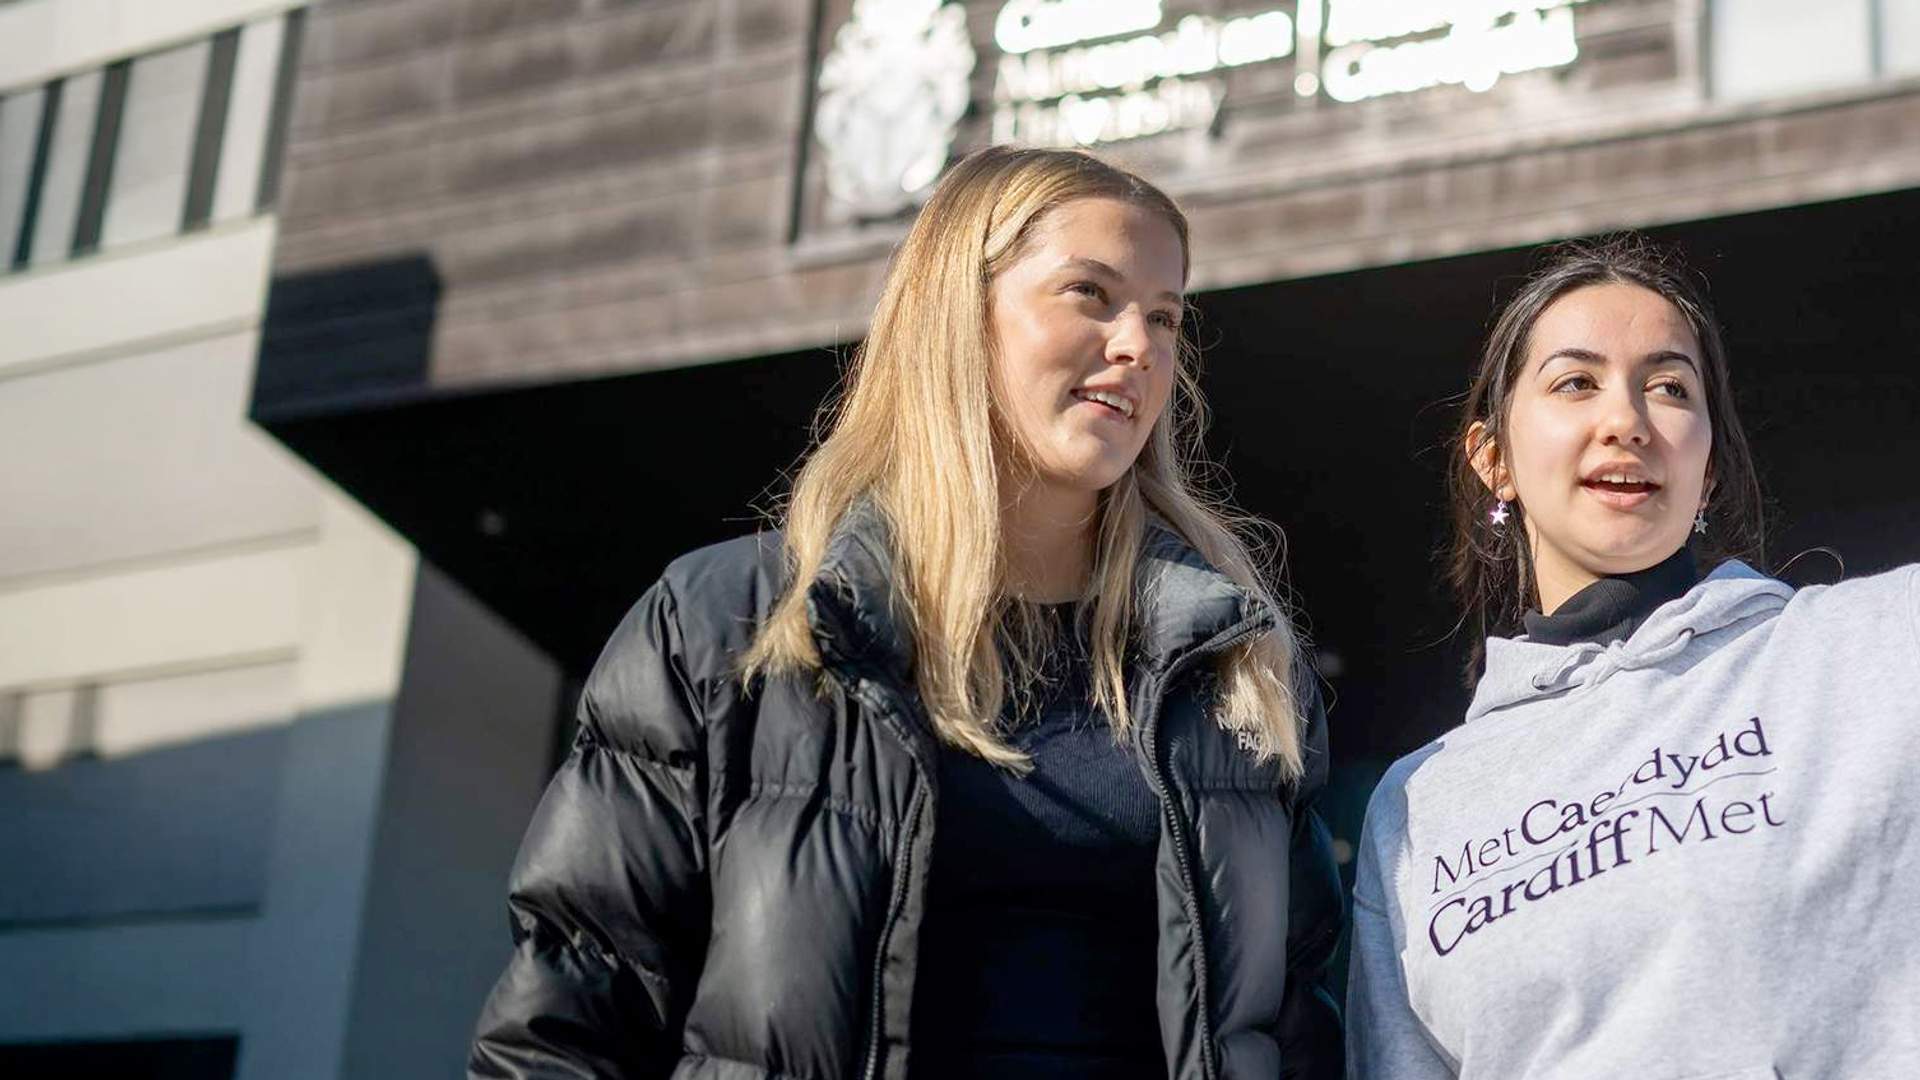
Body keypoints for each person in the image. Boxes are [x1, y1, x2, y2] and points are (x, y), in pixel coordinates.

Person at [470, 145, 1344, 1080]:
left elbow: (1296, 1034)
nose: (1138, 345)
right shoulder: (728, 622)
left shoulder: (1235, 666)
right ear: (958, 319)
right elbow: (569, 1024)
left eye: (1165, 316)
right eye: (1090, 293)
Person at [1345, 235, 1920, 1078]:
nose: (1627, 421)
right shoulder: (1418, 806)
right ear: (1493, 458)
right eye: (1576, 382)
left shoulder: (1874, 644)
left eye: (1669, 387)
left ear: (1710, 463)